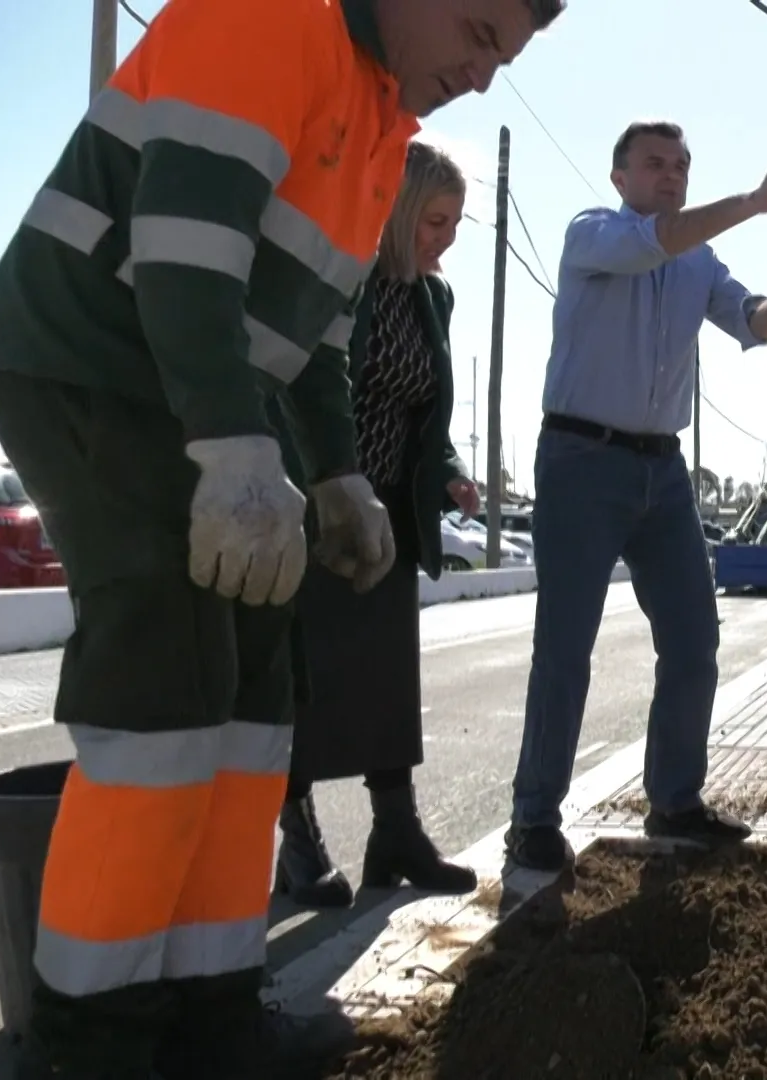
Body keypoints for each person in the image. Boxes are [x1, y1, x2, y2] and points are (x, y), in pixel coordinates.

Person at [0, 0, 566, 1076]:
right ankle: (88, 1040)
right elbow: (184, 254)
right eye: (476, 32)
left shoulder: (382, 126)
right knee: (164, 690)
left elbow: (319, 333)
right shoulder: (269, 17)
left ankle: (212, 1011)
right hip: (97, 370)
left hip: (201, 392)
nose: (480, 73)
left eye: (503, 55)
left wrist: (335, 474)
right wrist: (236, 447)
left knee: (251, 703)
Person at [502, 120, 767, 873]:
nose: (671, 174)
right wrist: (756, 198)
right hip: (581, 459)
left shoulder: (699, 261)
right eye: (655, 164)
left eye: (681, 164)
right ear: (620, 177)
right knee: (565, 648)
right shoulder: (593, 234)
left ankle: (675, 800)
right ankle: (534, 818)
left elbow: (752, 324)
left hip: (663, 474)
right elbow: (656, 240)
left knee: (693, 640)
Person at [271, 139, 484, 909]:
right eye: (434, 220)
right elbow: (295, 384)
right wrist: (321, 485)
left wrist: (452, 469)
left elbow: (427, 411)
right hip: (317, 498)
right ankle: (297, 846)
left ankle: (395, 832)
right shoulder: (338, 276)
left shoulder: (436, 297)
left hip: (391, 504)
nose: (445, 237)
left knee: (387, 678)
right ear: (395, 211)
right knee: (305, 674)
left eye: (456, 224)